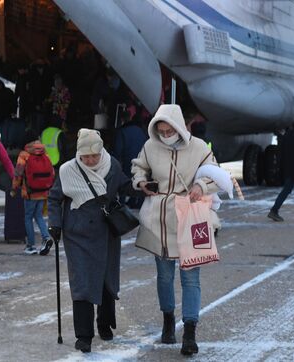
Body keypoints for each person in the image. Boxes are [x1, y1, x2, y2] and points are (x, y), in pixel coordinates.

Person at [131, 104, 221, 356]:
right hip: (159, 219)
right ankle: (168, 320)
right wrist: (141, 181)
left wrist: (201, 186)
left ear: (179, 127)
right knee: (164, 276)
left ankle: (190, 332)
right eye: (160, 130)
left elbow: (216, 175)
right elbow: (138, 167)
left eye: (168, 129)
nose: (164, 134)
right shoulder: (150, 146)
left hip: (191, 216)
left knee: (191, 278)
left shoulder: (200, 148)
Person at [48, 129, 136, 353]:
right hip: (77, 234)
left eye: (94, 156)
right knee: (83, 283)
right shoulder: (68, 170)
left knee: (106, 279)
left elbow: (124, 185)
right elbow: (55, 198)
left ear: (101, 150)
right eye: (85, 156)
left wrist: (142, 186)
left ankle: (104, 324)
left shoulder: (112, 165)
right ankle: (84, 336)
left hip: (106, 232)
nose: (90, 160)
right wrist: (55, 224)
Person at [12, 131, 55, 255]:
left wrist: (14, 188)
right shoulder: (44, 153)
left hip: (29, 192)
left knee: (28, 217)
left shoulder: (24, 154)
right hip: (42, 191)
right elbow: (52, 173)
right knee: (39, 216)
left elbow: (18, 173)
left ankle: (30, 246)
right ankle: (46, 238)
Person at [112, 106, 148, 208]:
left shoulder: (122, 131)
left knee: (126, 182)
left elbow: (118, 149)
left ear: (123, 120)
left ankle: (122, 204)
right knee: (139, 179)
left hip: (128, 159)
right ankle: (137, 202)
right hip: (141, 158)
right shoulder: (141, 130)